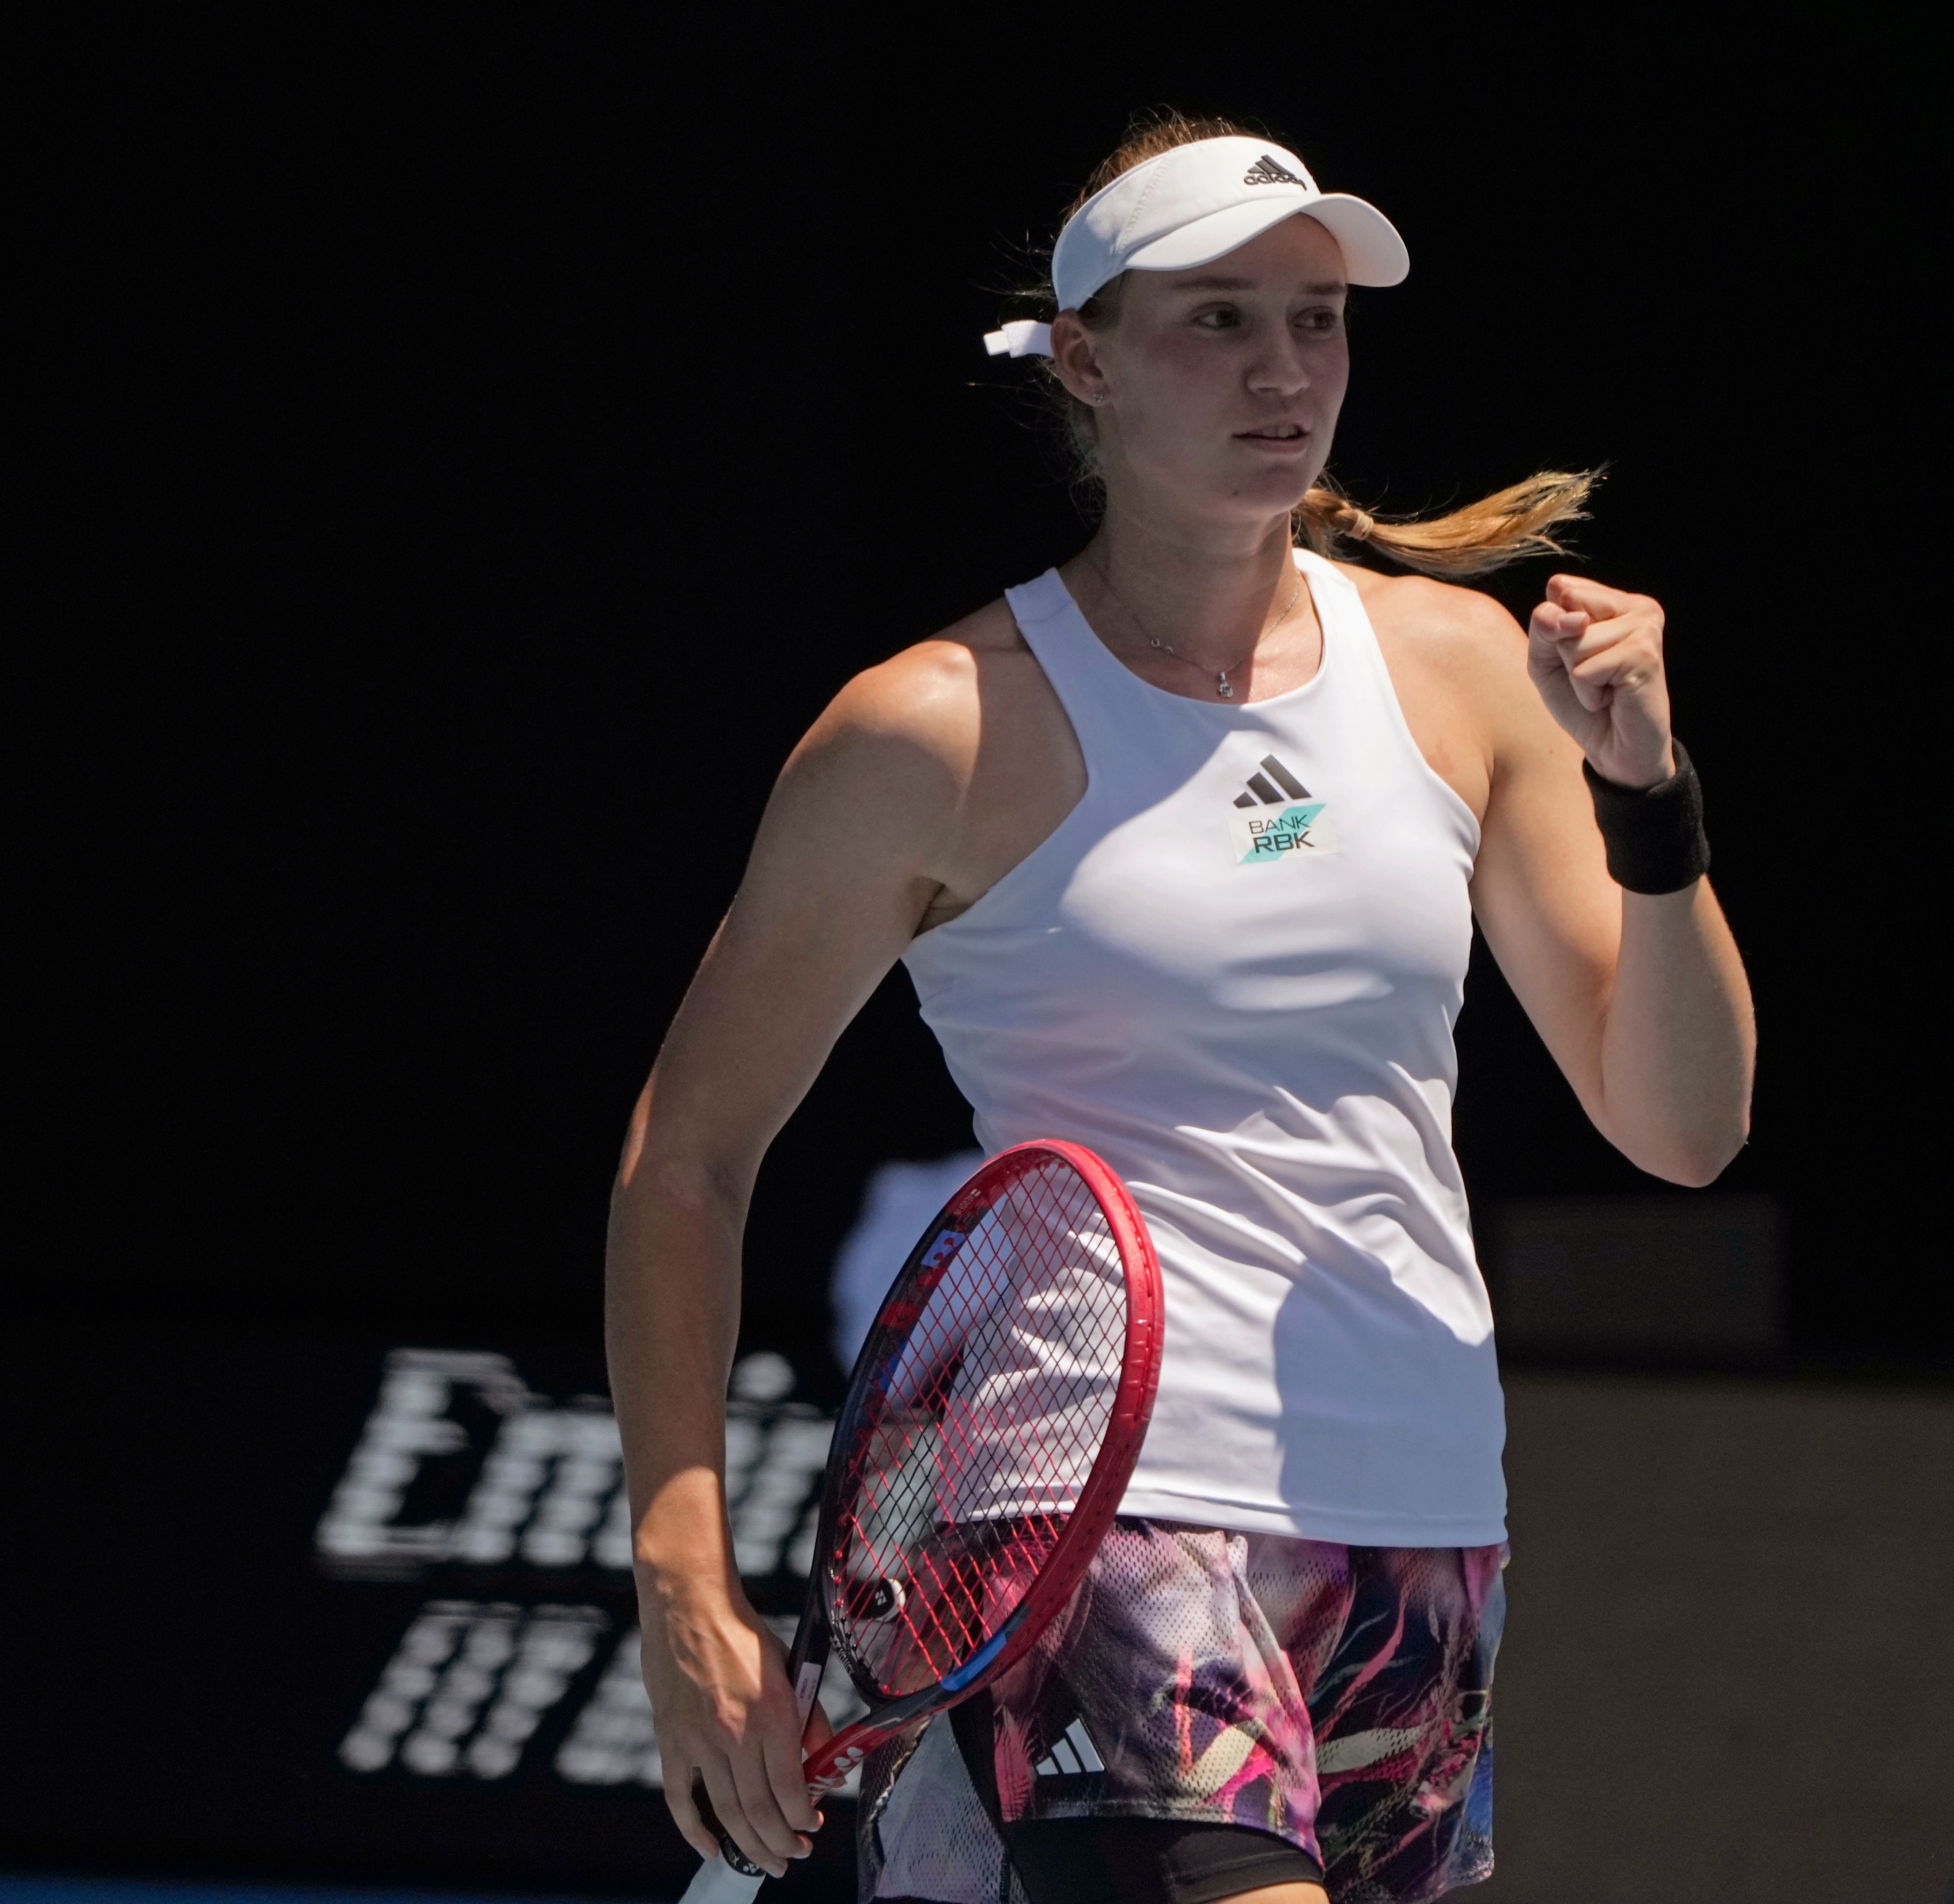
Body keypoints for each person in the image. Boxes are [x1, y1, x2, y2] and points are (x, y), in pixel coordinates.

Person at [606, 112, 1755, 1904]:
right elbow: (687, 1157)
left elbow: (1683, 1126)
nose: (1284, 369)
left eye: (1317, 319)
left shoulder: (1463, 678)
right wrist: (682, 1577)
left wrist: (1655, 801)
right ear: (1084, 363)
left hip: (1424, 1525)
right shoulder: (928, 730)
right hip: (1095, 1507)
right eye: (1216, 320)